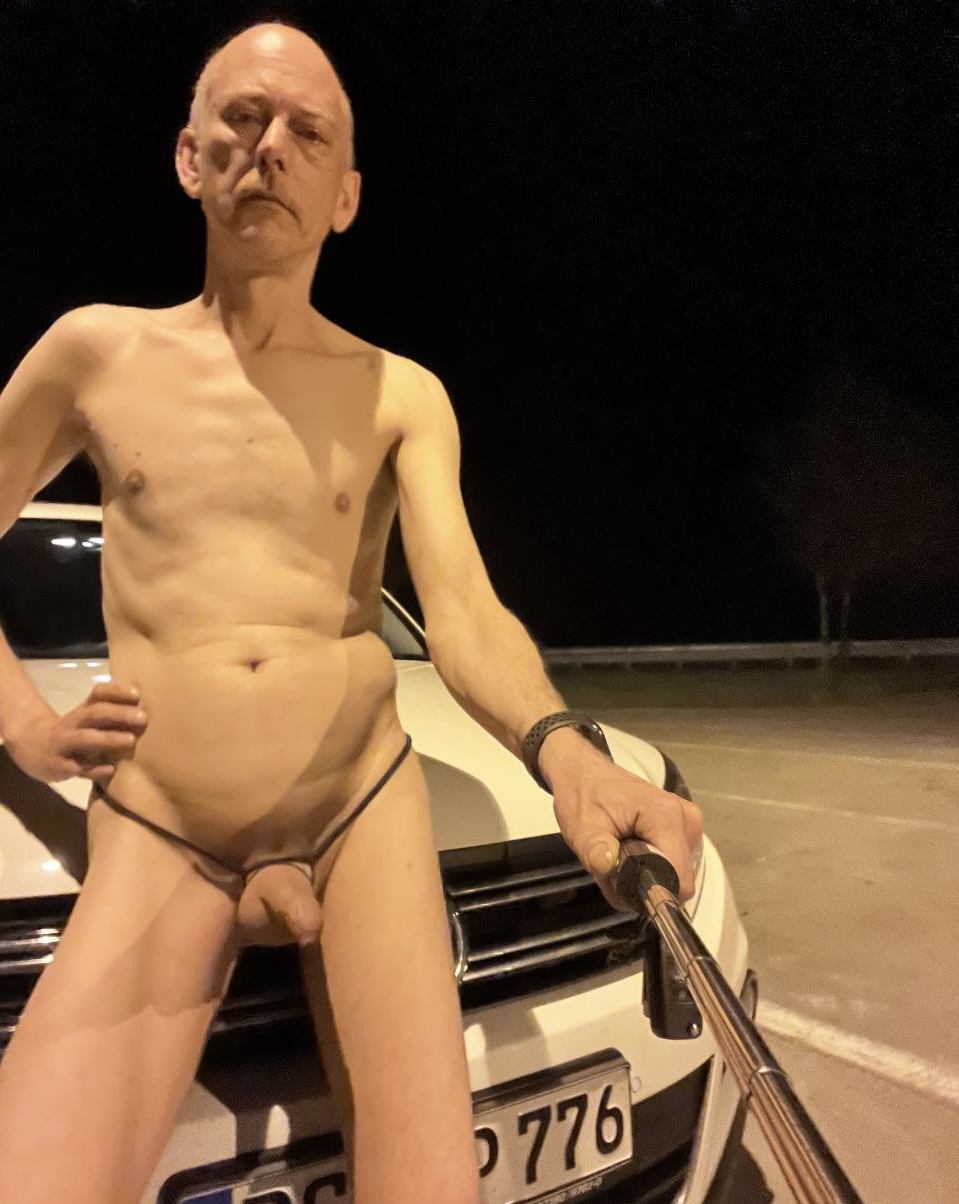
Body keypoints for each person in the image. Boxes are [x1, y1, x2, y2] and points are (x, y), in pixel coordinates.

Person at [0, 21, 702, 1204]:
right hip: (166, 819)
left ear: (345, 197)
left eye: (308, 132)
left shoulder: (400, 394)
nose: (271, 145)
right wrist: (22, 724)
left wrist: (565, 749)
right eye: (242, 117)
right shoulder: (94, 353)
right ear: (188, 157)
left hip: (356, 801)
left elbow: (461, 610)